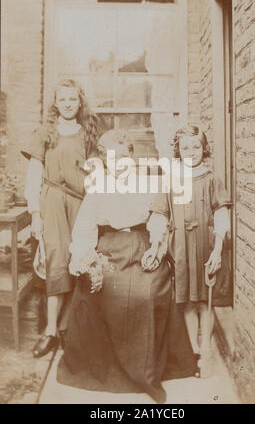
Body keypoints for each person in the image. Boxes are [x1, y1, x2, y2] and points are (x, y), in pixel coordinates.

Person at [57, 129, 197, 404]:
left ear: (131, 157)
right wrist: (84, 257)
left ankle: (146, 368)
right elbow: (85, 226)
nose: (119, 162)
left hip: (143, 245)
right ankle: (102, 369)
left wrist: (157, 246)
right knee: (97, 290)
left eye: (123, 155)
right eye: (112, 158)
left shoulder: (147, 183)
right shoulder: (97, 188)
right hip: (108, 247)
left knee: (147, 294)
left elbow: (159, 216)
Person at [144, 124, 232, 378]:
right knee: (188, 301)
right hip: (180, 247)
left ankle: (206, 351)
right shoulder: (171, 179)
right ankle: (194, 351)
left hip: (206, 245)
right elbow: (160, 214)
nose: (191, 152)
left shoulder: (211, 179)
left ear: (204, 149)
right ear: (178, 151)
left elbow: (221, 216)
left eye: (196, 147)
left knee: (205, 300)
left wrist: (217, 251)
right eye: (185, 148)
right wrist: (155, 243)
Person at [22, 79, 99, 358]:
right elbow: (33, 176)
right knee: (55, 260)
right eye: (62, 99)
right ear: (55, 103)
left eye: (72, 99)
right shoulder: (45, 133)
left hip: (81, 204)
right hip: (52, 201)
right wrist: (35, 214)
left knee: (77, 260)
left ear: (80, 102)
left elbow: (98, 173)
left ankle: (69, 328)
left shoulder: (89, 132)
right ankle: (51, 331)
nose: (67, 104)